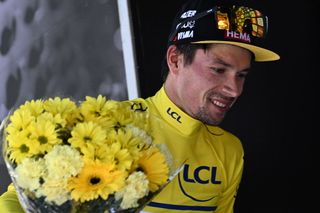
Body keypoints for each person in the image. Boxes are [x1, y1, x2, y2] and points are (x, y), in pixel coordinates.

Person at [0, 0, 280, 212]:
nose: (234, 89)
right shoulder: (106, 124)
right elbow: (15, 199)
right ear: (175, 60)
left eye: (241, 75)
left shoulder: (229, 151)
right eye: (219, 70)